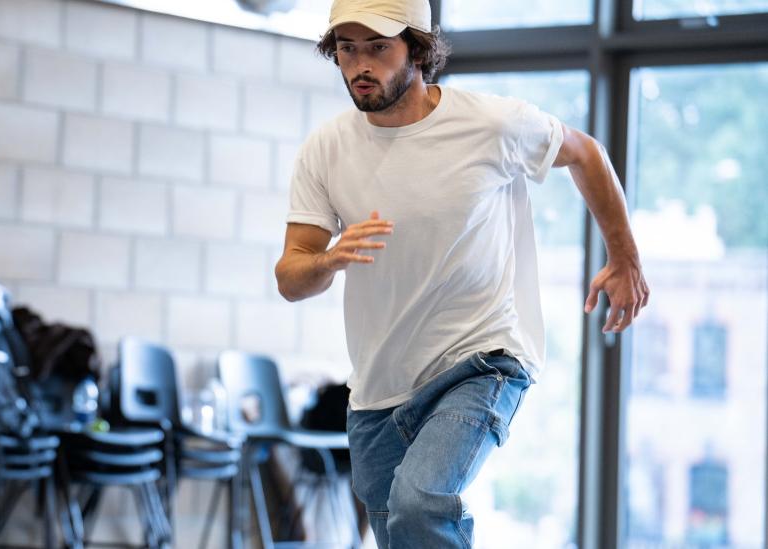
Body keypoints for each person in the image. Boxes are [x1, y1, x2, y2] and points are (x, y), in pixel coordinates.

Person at [273, 0, 650, 546]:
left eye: (378, 48)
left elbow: (585, 153)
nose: (360, 65)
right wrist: (328, 259)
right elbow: (291, 276)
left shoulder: (491, 124)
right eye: (347, 50)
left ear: (417, 50)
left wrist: (624, 257)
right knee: (399, 531)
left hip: (481, 360)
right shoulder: (325, 150)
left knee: (420, 503)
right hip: (378, 390)